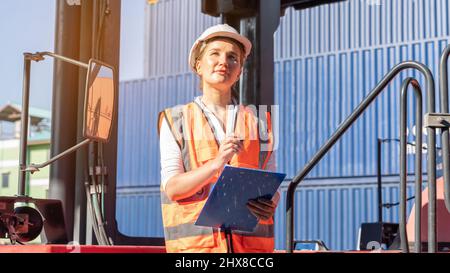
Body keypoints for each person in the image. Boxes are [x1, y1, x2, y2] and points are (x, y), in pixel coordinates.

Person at [158, 24, 279, 253]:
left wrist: (271, 203)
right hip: (198, 253)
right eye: (214, 54)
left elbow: (271, 182)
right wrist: (216, 164)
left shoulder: (260, 122)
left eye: (233, 57)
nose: (224, 61)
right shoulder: (175, 120)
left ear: (240, 71)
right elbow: (173, 187)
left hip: (251, 253)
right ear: (198, 65)